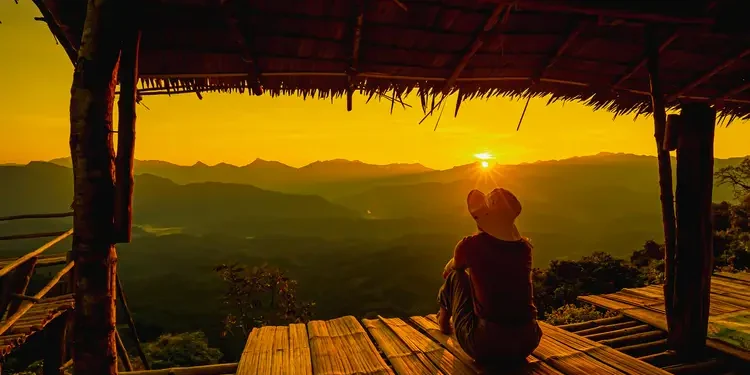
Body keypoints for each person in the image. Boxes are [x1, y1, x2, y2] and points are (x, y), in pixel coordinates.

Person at [437, 188, 542, 365]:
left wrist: (453, 268)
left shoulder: (470, 245)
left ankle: (443, 322)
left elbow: (452, 268)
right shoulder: (524, 248)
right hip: (528, 340)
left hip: (488, 345)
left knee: (457, 276)